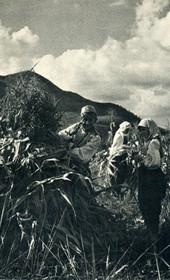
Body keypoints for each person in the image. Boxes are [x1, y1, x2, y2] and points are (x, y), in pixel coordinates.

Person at [134, 118, 167, 239]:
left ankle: (154, 236)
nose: (141, 132)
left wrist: (139, 158)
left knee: (151, 206)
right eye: (140, 130)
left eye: (144, 129)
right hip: (146, 179)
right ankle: (151, 233)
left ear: (151, 129)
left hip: (152, 179)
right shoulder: (147, 142)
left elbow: (153, 162)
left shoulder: (153, 142)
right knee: (145, 205)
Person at [58, 105, 101, 175]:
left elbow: (82, 156)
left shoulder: (96, 137)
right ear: (81, 118)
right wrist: (68, 137)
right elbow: (61, 133)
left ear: (95, 120)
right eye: (85, 119)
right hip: (64, 157)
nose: (87, 123)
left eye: (90, 120)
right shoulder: (77, 126)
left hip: (78, 166)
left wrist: (68, 147)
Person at [108, 121, 133, 188]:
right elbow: (116, 148)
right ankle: (116, 189)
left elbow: (121, 145)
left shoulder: (124, 135)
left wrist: (127, 147)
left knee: (122, 174)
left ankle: (119, 189)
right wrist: (125, 149)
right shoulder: (119, 135)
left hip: (121, 157)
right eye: (126, 129)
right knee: (116, 174)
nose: (127, 131)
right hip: (116, 158)